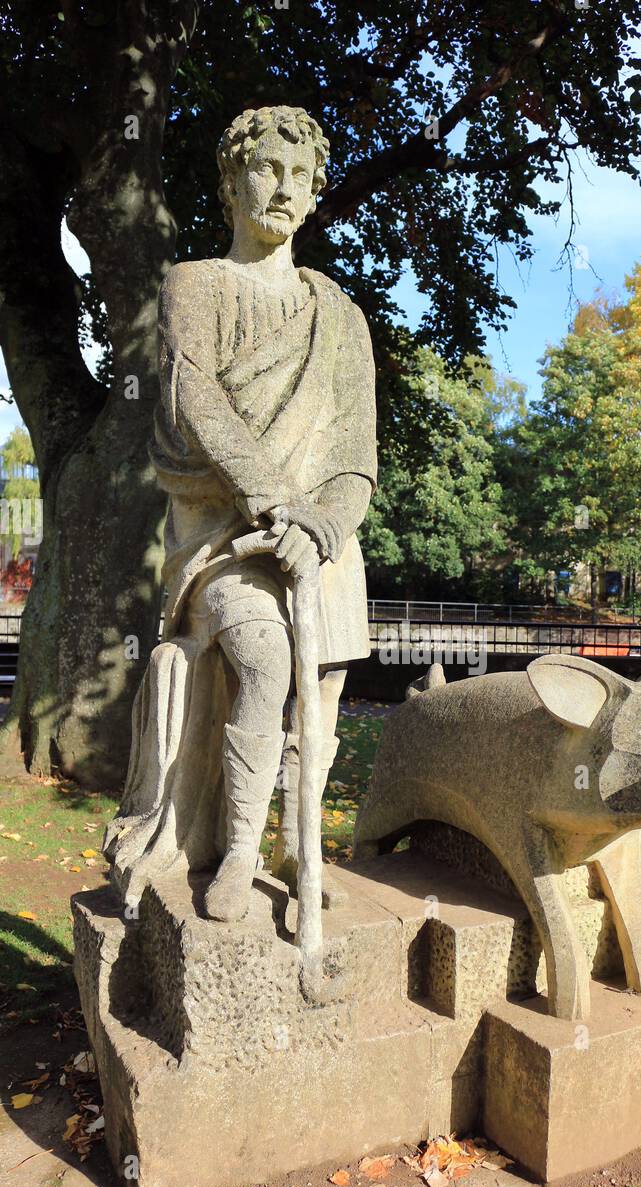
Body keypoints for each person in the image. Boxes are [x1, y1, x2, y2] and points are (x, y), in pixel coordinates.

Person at [104, 107, 377, 921]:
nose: (283, 188)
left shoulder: (342, 318)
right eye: (266, 169)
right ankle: (238, 854)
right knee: (265, 663)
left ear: (317, 192)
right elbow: (193, 397)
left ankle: (302, 853)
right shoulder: (195, 284)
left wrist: (321, 525)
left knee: (319, 700)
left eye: (300, 176)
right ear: (231, 182)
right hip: (227, 542)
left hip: (321, 548)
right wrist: (275, 501)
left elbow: (357, 454)